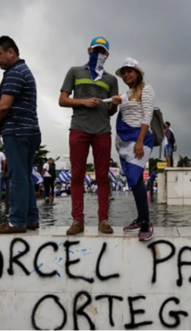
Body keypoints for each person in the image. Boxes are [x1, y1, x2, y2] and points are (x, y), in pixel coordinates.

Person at [59, 36, 119, 235]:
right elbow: (62, 100)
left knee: (103, 177)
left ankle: (103, 221)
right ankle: (78, 220)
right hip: (78, 129)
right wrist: (83, 102)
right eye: (95, 50)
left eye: (102, 51)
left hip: (102, 131)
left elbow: (110, 112)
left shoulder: (111, 79)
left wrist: (115, 104)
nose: (98, 54)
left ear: (107, 55)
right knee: (76, 176)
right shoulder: (75, 71)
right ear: (88, 50)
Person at [0, 36, 42, 234]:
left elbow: (4, 106)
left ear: (11, 52)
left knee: (17, 177)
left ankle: (16, 221)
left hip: (17, 131)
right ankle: (31, 218)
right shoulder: (23, 71)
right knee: (25, 176)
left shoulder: (14, 73)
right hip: (30, 130)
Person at [111, 57, 155, 241]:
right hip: (124, 142)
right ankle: (140, 218)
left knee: (135, 177)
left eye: (130, 71)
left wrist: (139, 141)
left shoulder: (147, 89)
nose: (126, 74)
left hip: (140, 140)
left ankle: (146, 223)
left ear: (137, 73)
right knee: (132, 180)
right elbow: (109, 110)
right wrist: (113, 102)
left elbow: (147, 116)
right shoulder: (124, 95)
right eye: (124, 72)